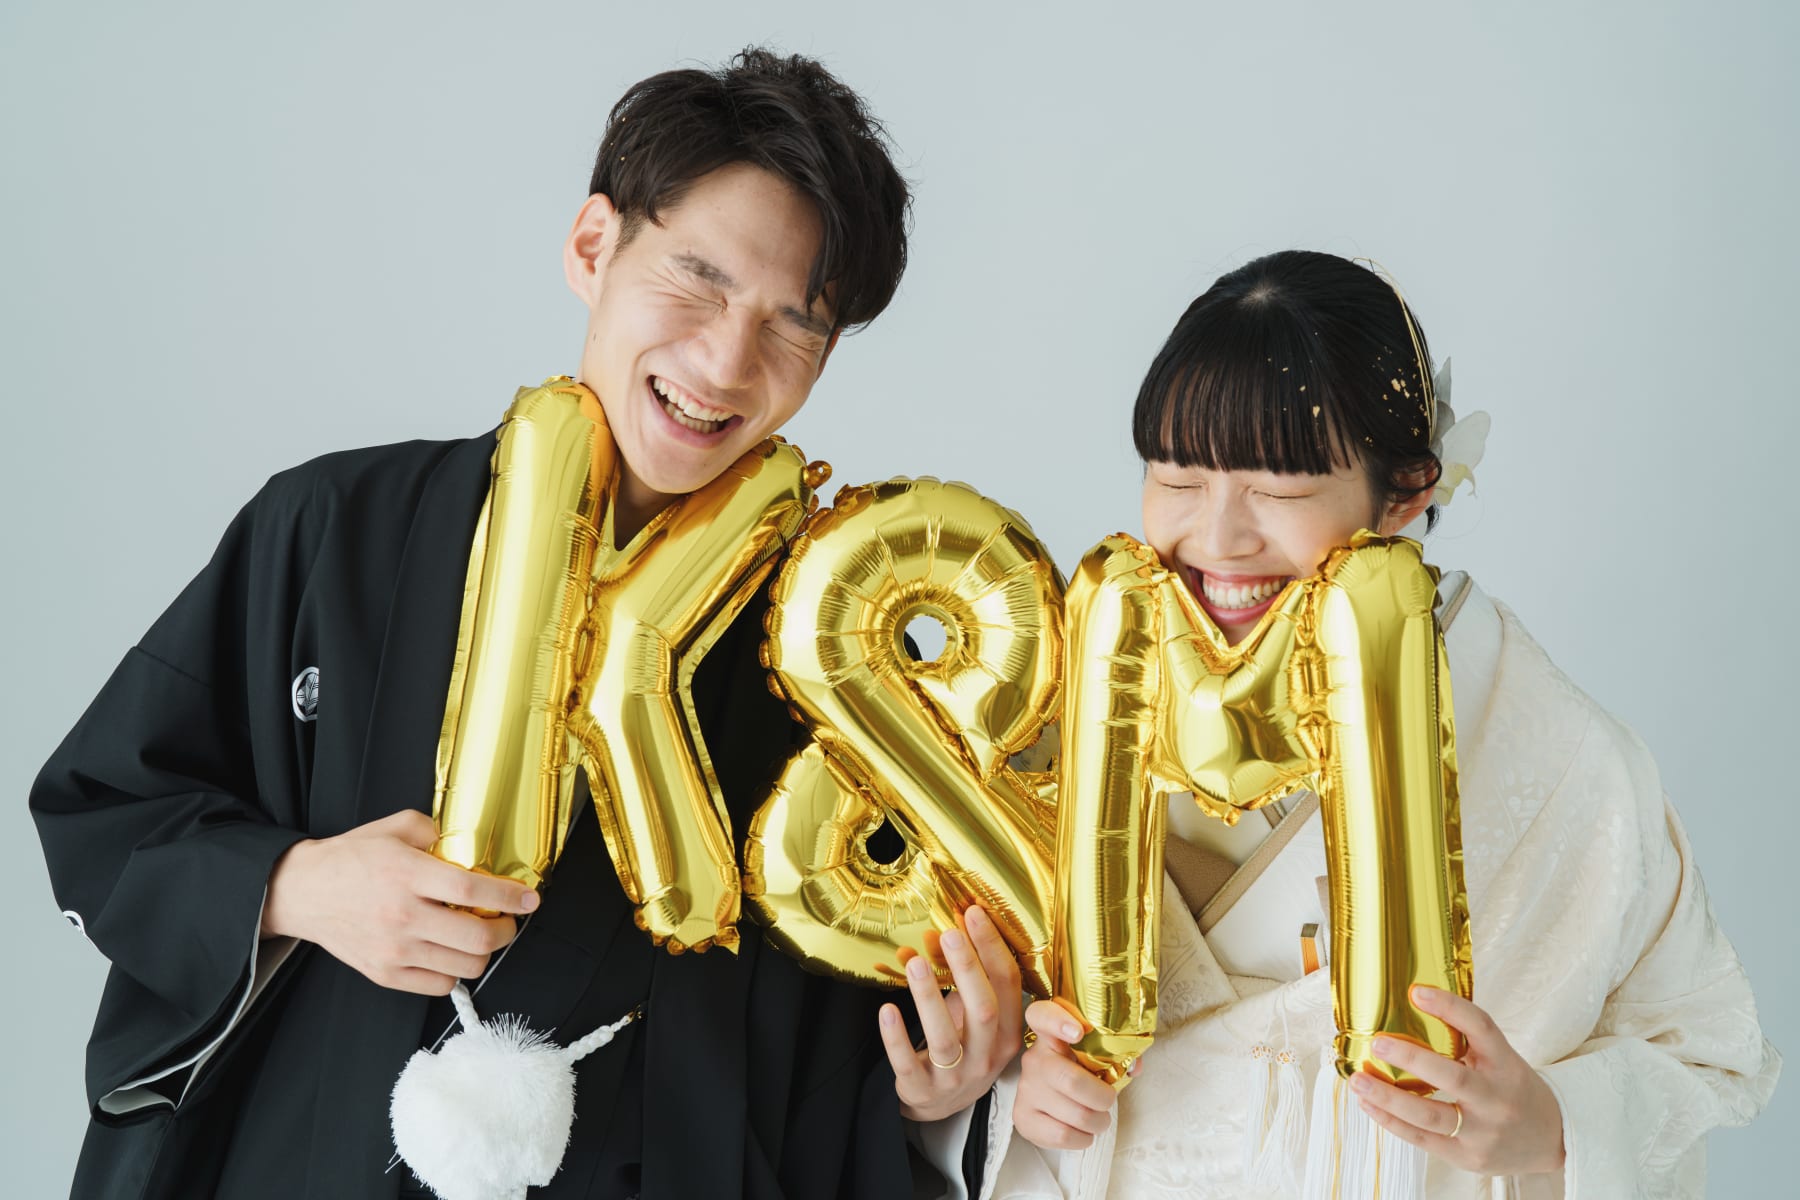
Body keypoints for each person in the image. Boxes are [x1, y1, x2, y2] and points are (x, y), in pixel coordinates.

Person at [31, 47, 1017, 1200]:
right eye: (697, 280)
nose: (724, 361)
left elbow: (835, 1053)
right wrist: (297, 886)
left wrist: (930, 1090)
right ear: (593, 246)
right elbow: (109, 806)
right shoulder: (335, 527)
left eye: (793, 324)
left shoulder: (828, 662)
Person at [977, 250, 1780, 1197]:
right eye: (1178, 478)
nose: (1218, 540)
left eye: (1278, 488)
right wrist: (1013, 1093)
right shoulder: (1067, 716)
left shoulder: (1566, 762)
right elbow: (970, 1049)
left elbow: (1707, 1051)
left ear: (1405, 491)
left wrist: (1555, 1128)